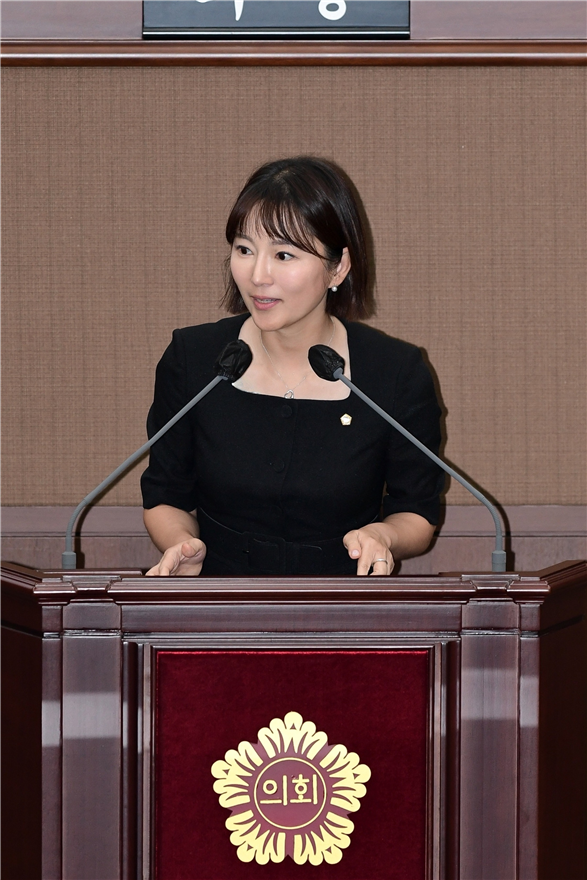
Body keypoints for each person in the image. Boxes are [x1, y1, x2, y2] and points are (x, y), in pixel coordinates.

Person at [141, 156, 444, 577]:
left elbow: (417, 512)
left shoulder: (394, 372)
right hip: (220, 602)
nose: (258, 275)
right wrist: (181, 544)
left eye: (284, 255)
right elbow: (165, 496)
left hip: (345, 603)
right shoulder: (193, 358)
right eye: (244, 250)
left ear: (338, 267)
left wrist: (383, 536)